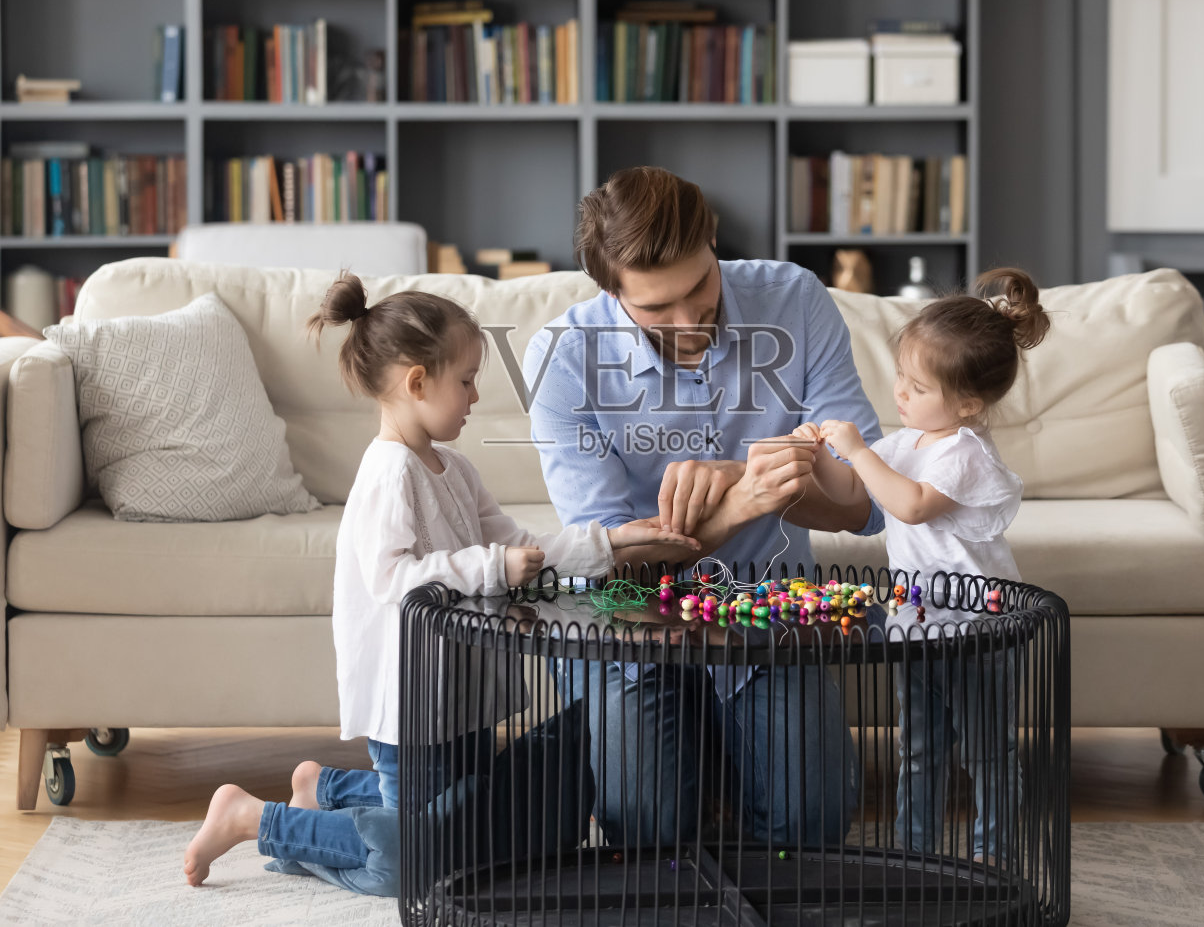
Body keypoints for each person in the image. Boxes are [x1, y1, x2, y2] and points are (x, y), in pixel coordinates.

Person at [182, 280, 696, 894]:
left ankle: (322, 788)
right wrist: (489, 568)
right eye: (467, 380)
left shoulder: (455, 470)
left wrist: (614, 544)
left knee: (458, 821)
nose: (476, 397)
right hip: (413, 707)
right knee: (418, 860)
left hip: (465, 698)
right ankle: (253, 818)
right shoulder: (386, 474)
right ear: (417, 382)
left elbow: (522, 549)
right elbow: (393, 578)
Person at [524, 167, 885, 847]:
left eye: (700, 286)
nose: (690, 321)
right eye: (657, 308)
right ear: (611, 291)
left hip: (762, 611)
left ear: (713, 240)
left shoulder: (795, 299)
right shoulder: (564, 356)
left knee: (812, 823)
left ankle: (717, 752)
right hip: (625, 625)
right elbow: (611, 569)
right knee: (646, 829)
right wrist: (737, 505)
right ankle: (702, 754)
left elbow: (864, 502)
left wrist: (749, 475)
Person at [795, 267, 1050, 859]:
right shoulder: (908, 443)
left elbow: (907, 507)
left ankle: (995, 856)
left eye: (916, 386)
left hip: (974, 628)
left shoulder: (965, 453)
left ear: (967, 402)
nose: (900, 394)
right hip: (918, 623)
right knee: (919, 746)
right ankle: (917, 856)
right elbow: (852, 488)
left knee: (986, 749)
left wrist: (857, 449)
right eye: (901, 379)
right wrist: (818, 455)